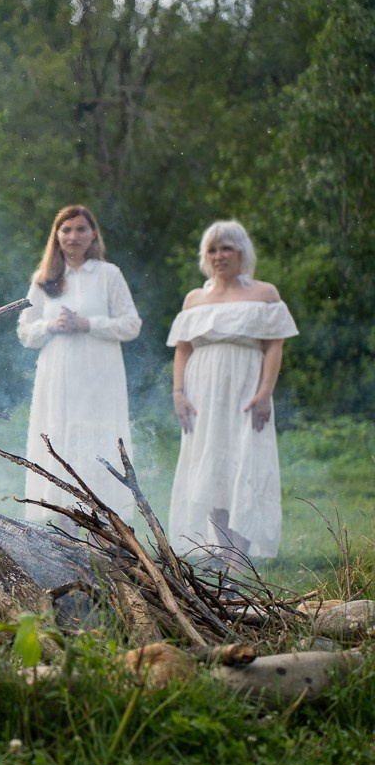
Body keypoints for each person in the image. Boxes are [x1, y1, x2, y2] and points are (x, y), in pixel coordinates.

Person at [167, 220, 297, 569]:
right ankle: (227, 557)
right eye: (212, 249)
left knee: (245, 463)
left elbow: (274, 345)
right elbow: (182, 349)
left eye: (227, 248)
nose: (219, 255)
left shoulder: (264, 293)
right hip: (202, 391)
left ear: (242, 252)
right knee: (211, 469)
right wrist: (179, 393)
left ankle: (240, 558)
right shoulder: (195, 299)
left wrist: (265, 391)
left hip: (245, 388)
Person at [16, 205, 141, 529]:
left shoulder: (108, 274)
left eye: (80, 229)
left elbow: (131, 325)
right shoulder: (44, 279)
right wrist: (51, 325)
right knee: (61, 446)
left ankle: (104, 541)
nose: (73, 236)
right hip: (58, 380)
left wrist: (88, 323)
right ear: (56, 236)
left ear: (93, 234)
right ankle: (67, 545)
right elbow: (25, 331)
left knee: (98, 447)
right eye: (66, 229)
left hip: (100, 378)